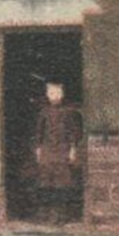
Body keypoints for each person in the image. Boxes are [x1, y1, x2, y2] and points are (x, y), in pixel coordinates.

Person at [32, 81, 84, 224]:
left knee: (61, 183)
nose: (54, 96)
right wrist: (38, 149)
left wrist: (72, 150)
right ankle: (45, 214)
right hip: (47, 150)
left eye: (57, 93)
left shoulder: (68, 112)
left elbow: (73, 133)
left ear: (62, 95)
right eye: (51, 93)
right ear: (47, 95)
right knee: (45, 181)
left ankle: (61, 215)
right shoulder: (44, 112)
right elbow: (39, 132)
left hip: (62, 150)